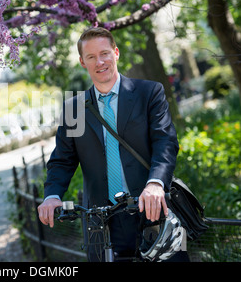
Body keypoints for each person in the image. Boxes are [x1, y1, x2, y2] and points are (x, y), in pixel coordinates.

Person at [37, 27, 189, 262]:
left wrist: (156, 183)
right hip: (102, 222)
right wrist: (52, 196)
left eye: (105, 53)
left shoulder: (148, 93)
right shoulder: (75, 108)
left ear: (116, 53)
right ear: (82, 62)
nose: (100, 62)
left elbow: (165, 142)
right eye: (91, 57)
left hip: (154, 209)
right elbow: (62, 160)